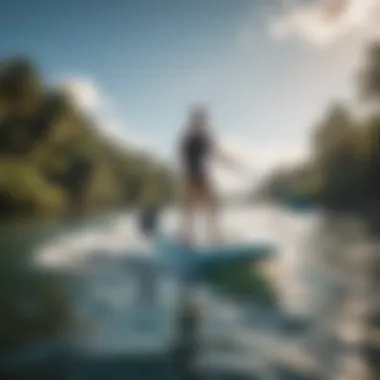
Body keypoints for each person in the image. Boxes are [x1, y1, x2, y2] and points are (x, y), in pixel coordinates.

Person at [178, 105, 242, 245]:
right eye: (202, 120)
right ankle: (186, 237)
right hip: (191, 177)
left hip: (202, 176)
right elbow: (184, 158)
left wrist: (233, 163)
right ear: (195, 121)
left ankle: (213, 237)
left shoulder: (204, 137)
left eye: (205, 120)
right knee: (193, 207)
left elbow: (217, 153)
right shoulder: (189, 137)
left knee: (213, 205)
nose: (205, 123)